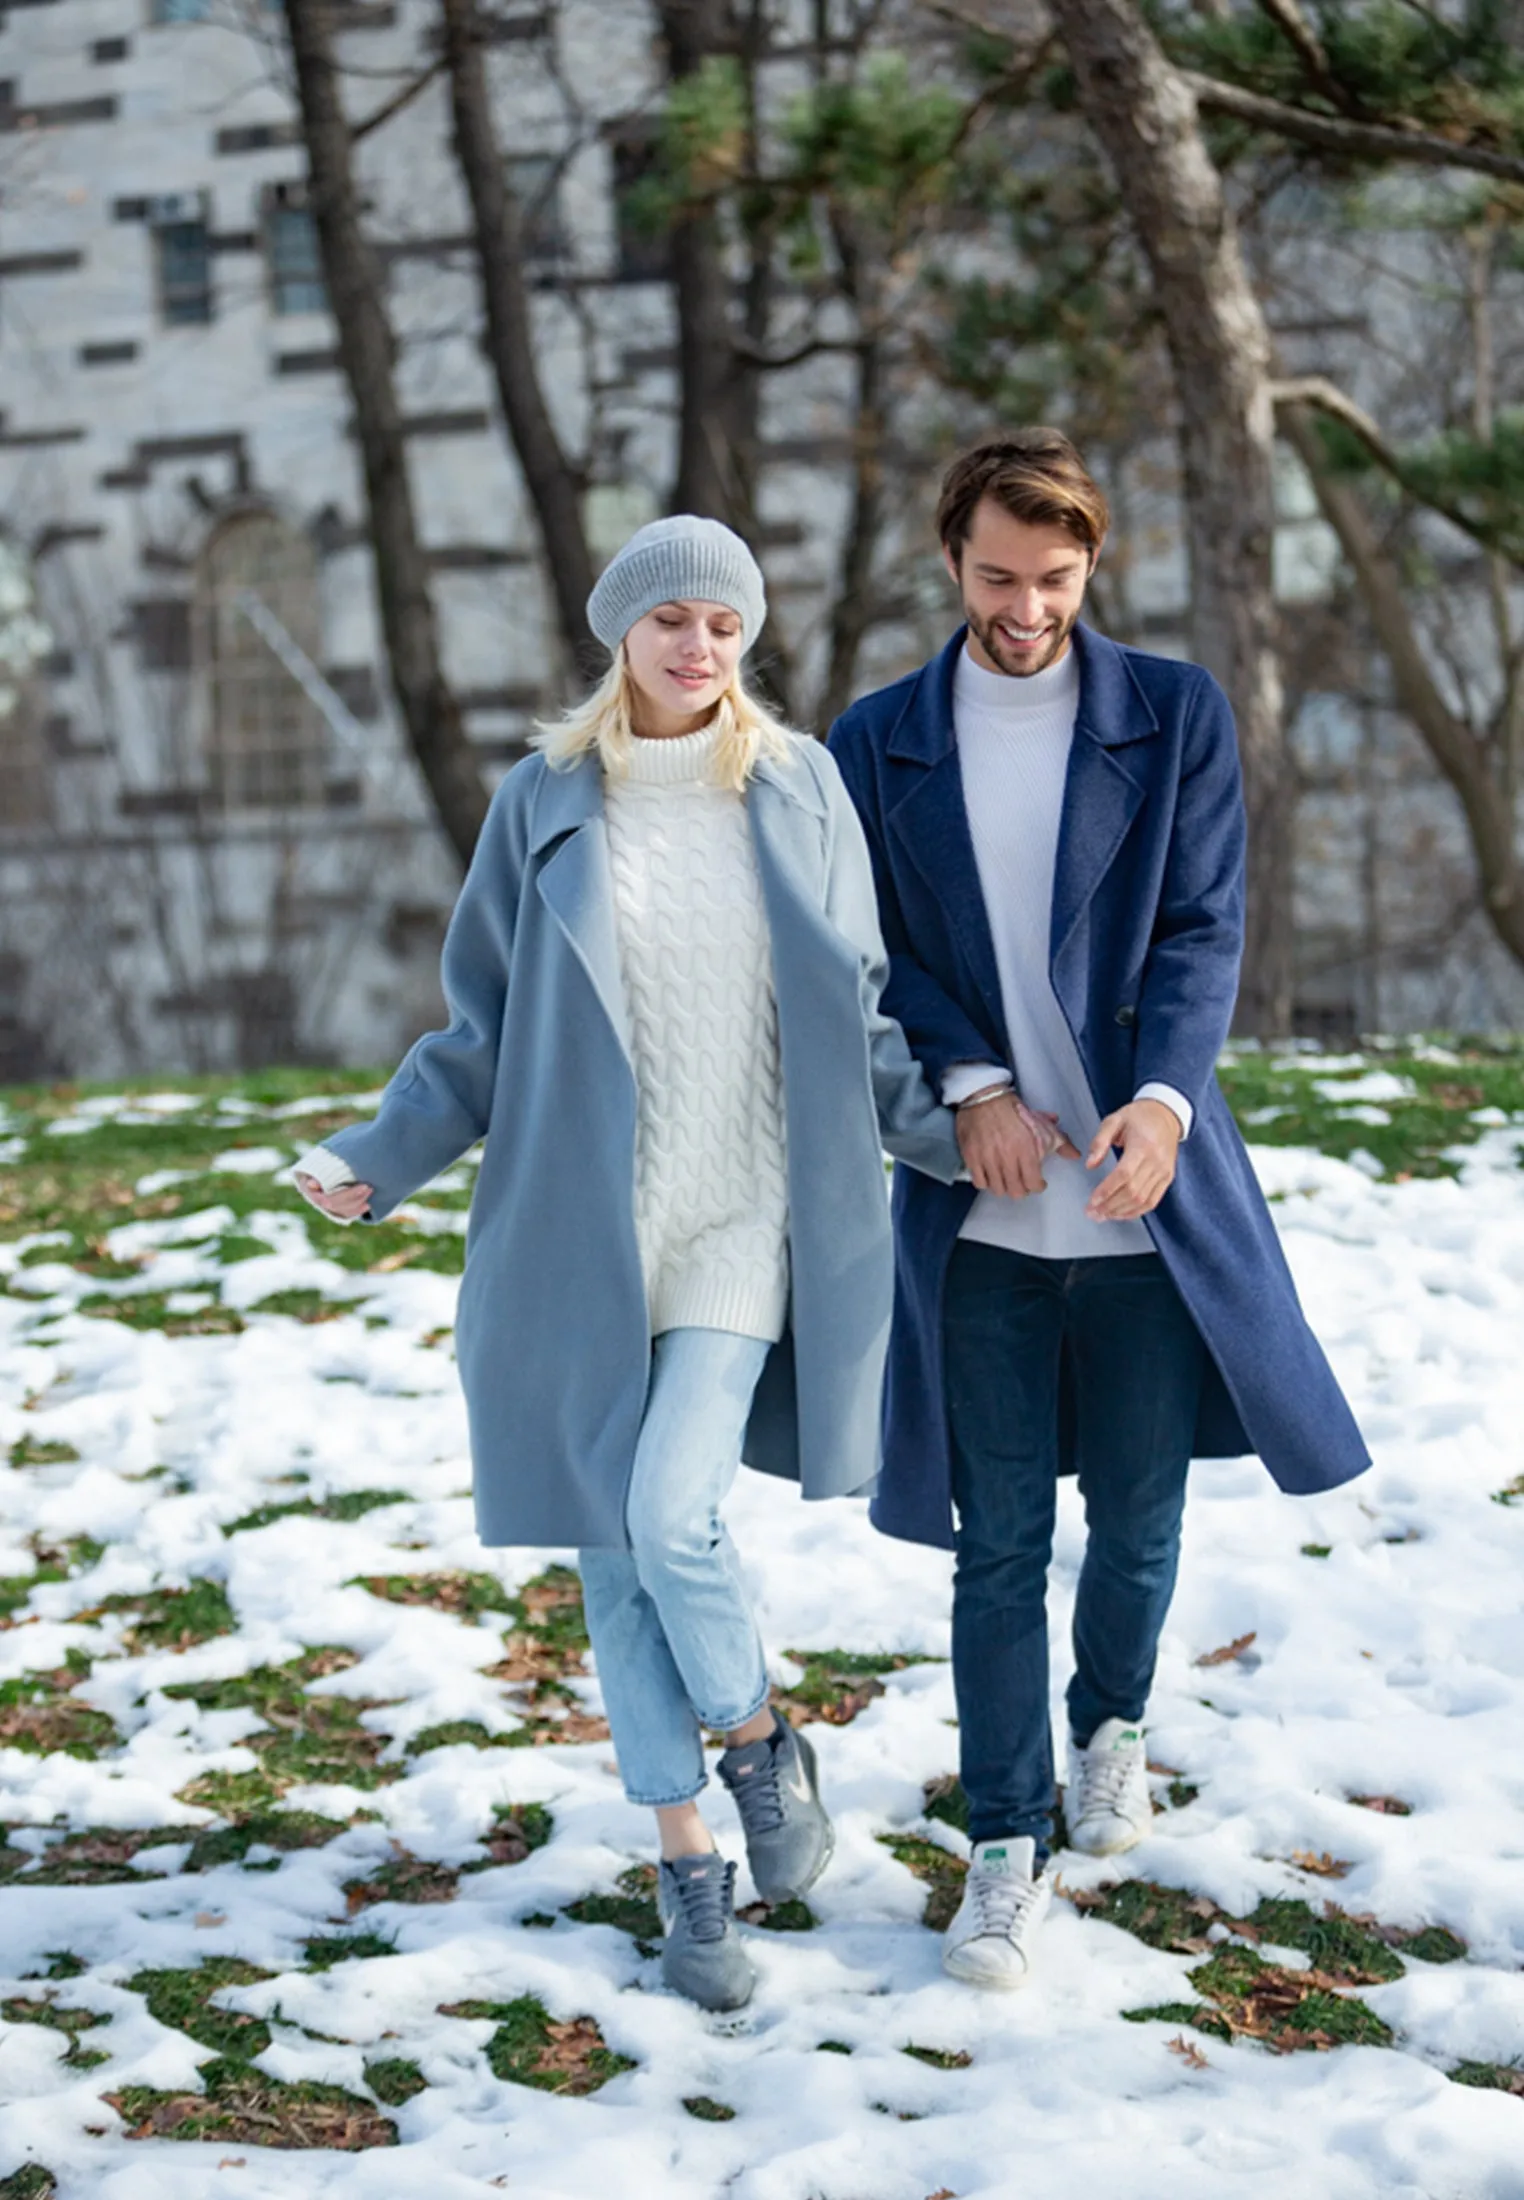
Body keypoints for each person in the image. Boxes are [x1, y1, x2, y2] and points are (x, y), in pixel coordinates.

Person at [292, 515, 962, 2013]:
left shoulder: (799, 790)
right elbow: (478, 1027)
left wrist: (968, 1135)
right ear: (621, 638)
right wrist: (375, 1154)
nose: (697, 647)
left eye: (722, 625)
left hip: (741, 1215)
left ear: (745, 642)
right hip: (585, 1235)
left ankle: (757, 1741)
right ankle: (689, 1873)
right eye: (669, 622)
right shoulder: (544, 803)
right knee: (613, 1557)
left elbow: (855, 1010)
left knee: (673, 1515)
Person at [827, 429, 1370, 1992]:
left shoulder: (1175, 714)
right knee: (992, 1543)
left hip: (1142, 1202)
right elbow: (876, 951)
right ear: (952, 560)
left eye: (1054, 579)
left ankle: (1109, 1729)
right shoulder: (880, 742)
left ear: (1091, 565)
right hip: (981, 1217)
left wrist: (1166, 1103)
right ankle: (1002, 1849)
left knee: (1137, 1522)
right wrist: (977, 1083)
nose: (1024, 609)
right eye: (996, 577)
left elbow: (1203, 928)